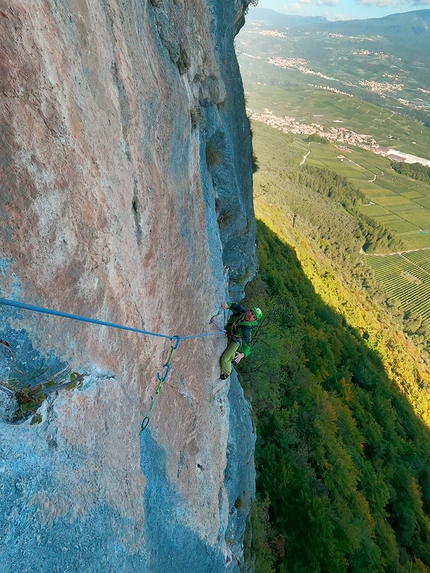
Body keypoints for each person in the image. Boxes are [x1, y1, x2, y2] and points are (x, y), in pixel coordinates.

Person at [220, 301, 262, 380]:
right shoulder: (241, 311)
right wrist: (227, 305)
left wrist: (242, 355)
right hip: (230, 333)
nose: (251, 316)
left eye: (254, 317)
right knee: (230, 354)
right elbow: (234, 306)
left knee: (224, 359)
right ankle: (232, 356)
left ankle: (227, 372)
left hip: (235, 341)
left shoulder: (245, 330)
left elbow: (247, 348)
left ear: (253, 320)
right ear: (248, 311)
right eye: (252, 313)